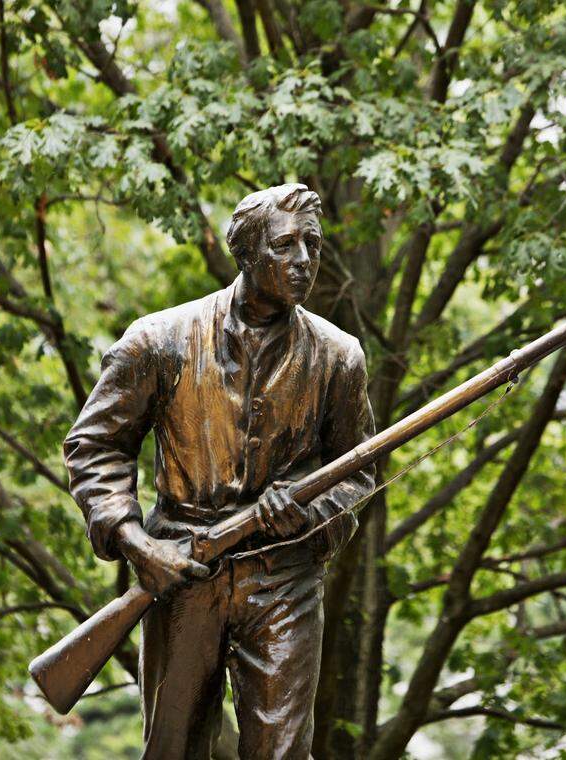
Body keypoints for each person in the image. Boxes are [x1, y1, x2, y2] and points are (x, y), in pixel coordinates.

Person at [63, 183, 375, 759]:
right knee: (173, 748)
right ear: (248, 252)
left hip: (285, 579)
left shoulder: (339, 357)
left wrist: (308, 514)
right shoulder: (160, 340)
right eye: (286, 245)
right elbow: (95, 446)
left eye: (313, 244)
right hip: (182, 566)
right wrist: (138, 545)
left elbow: (357, 474)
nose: (304, 261)